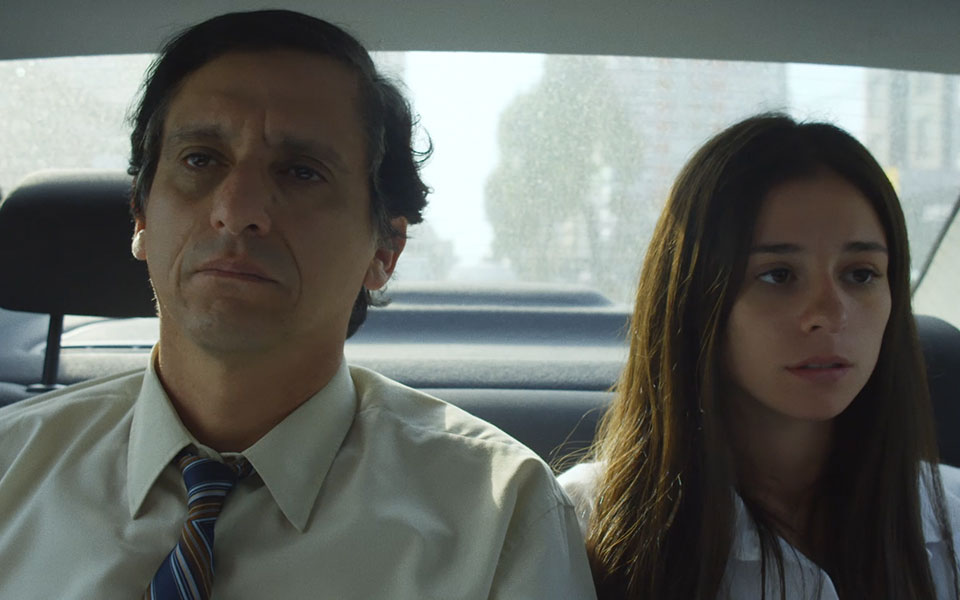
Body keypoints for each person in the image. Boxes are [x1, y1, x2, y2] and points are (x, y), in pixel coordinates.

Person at [0, 10, 595, 599]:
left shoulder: (498, 518)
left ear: (384, 250)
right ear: (140, 216)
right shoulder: (10, 468)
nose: (237, 210)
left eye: (301, 172)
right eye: (200, 159)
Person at [559, 113, 960, 599]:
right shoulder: (580, 523)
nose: (830, 314)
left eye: (861, 274)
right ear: (694, 298)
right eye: (778, 275)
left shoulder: (952, 518)